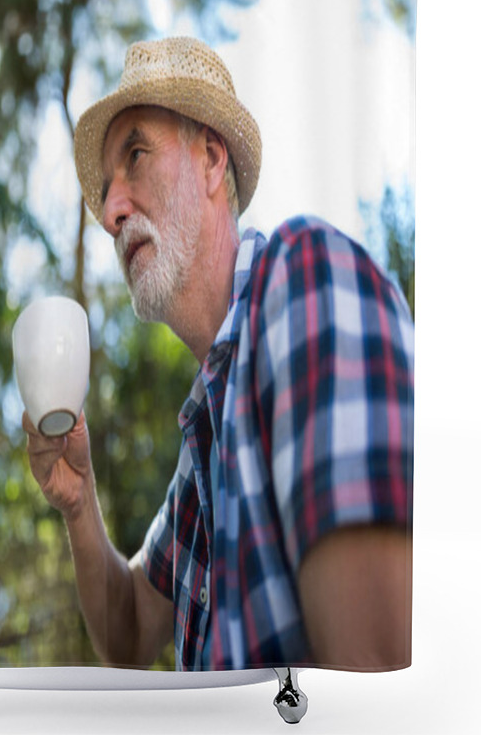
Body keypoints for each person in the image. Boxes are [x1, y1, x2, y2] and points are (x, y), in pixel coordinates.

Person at [23, 37, 413, 672]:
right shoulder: (205, 436)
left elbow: (375, 680)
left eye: (136, 156)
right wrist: (77, 497)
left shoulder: (304, 277)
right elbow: (128, 632)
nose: (113, 211)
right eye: (106, 187)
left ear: (210, 160)